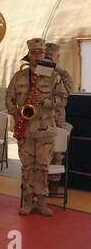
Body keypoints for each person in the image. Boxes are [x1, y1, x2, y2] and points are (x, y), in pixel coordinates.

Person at [5, 38, 67, 216]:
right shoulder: (19, 77)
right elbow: (8, 98)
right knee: (27, 167)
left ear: (44, 54)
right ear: (29, 55)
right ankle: (27, 201)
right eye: (33, 53)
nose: (36, 56)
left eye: (39, 52)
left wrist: (45, 101)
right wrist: (15, 113)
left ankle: (41, 201)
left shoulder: (53, 76)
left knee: (42, 166)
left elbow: (63, 99)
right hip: (24, 128)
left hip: (45, 130)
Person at [45, 43, 73, 195]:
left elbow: (65, 93)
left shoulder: (64, 74)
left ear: (58, 57)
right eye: (46, 56)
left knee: (56, 152)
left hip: (57, 117)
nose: (48, 59)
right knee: (41, 151)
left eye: (51, 56)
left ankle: (54, 183)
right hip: (41, 118)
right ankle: (37, 182)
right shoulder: (38, 71)